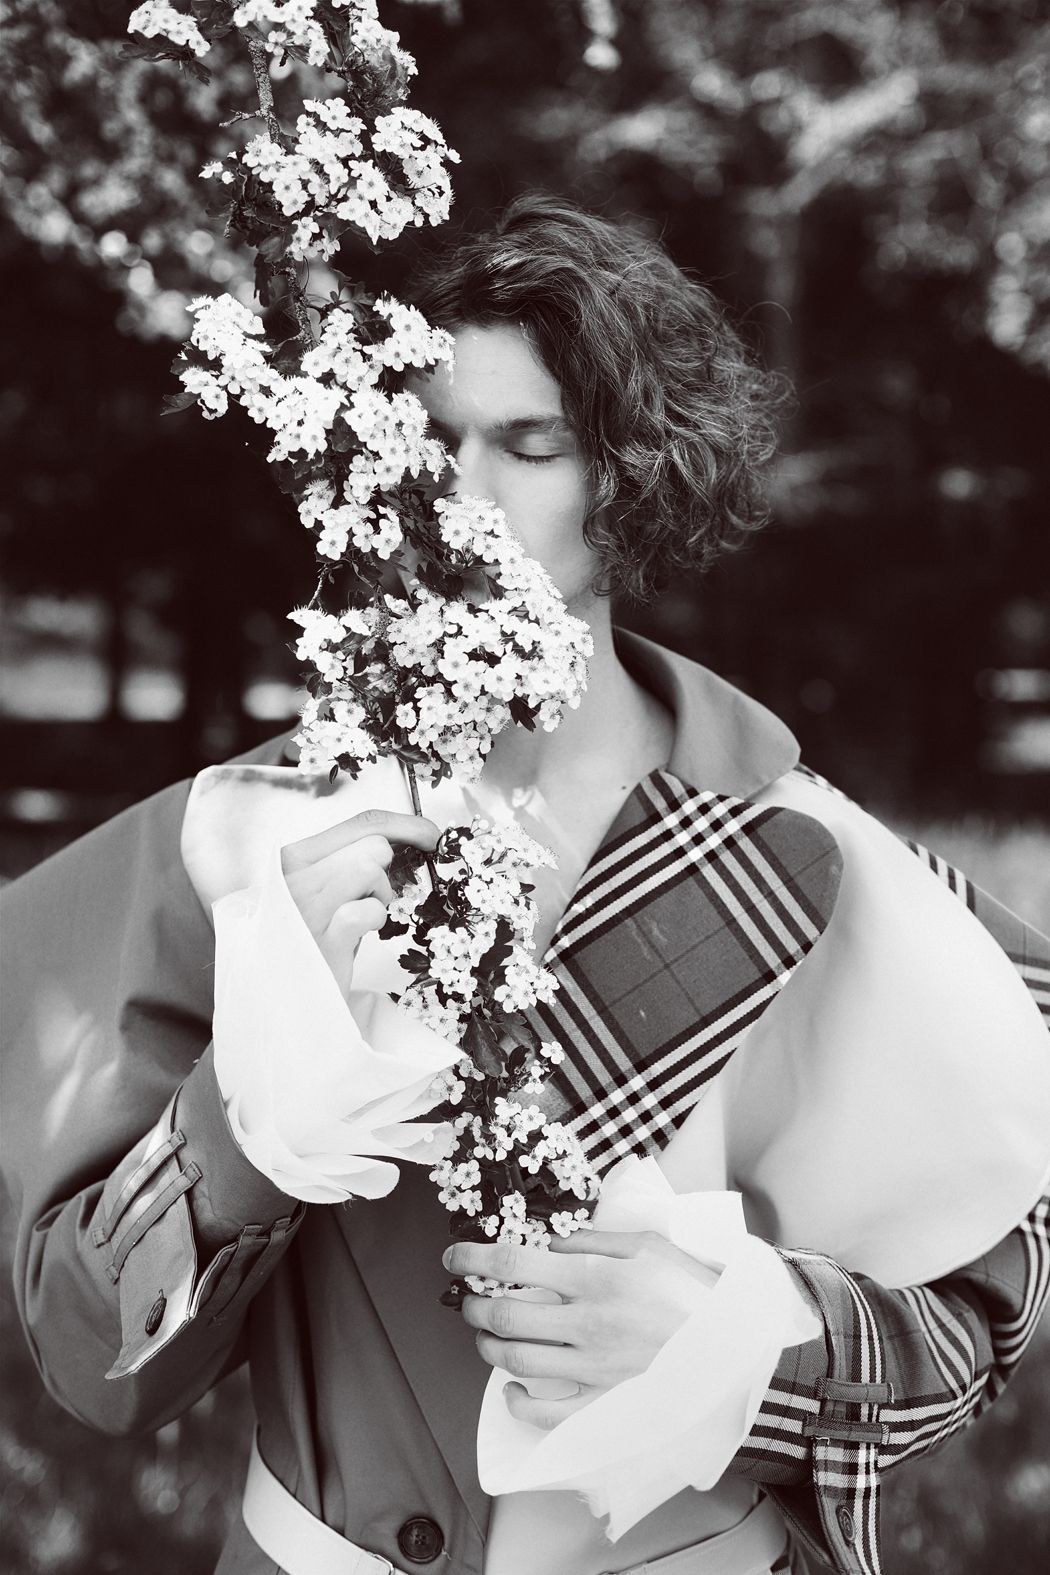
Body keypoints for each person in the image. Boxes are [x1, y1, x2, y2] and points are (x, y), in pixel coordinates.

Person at [3, 197, 1050, 1575]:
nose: (461, 493)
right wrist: (247, 1130)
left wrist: (752, 1338)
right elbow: (92, 1363)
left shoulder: (827, 857)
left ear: (634, 475)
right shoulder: (238, 841)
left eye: (530, 443)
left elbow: (977, 1312)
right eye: (428, 438)